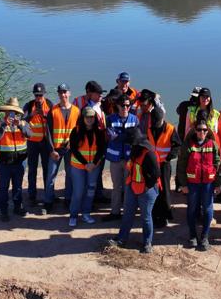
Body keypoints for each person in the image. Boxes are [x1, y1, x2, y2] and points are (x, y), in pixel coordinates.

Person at [108, 127, 161, 254]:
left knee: (146, 217)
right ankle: (122, 239)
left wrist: (147, 187)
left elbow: (156, 174)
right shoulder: (135, 149)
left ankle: (147, 243)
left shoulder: (149, 153)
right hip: (132, 186)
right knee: (127, 214)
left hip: (147, 190)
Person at [178, 119, 221, 251]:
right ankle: (192, 236)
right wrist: (183, 184)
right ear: (195, 131)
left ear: (207, 131)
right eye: (199, 129)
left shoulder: (212, 145)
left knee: (208, 210)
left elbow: (218, 166)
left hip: (208, 184)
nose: (201, 132)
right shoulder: (188, 145)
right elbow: (181, 166)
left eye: (204, 130)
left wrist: (218, 184)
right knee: (192, 209)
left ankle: (204, 237)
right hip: (192, 184)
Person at [0, 97, 31, 223]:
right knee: (3, 188)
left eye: (14, 112)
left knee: (18, 187)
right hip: (4, 163)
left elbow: (30, 134)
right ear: (5, 112)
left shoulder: (23, 123)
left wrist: (19, 125)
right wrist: (4, 125)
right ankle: (4, 211)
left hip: (19, 162)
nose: (12, 114)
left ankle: (17, 207)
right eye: (9, 111)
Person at [67, 106, 107, 227]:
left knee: (90, 191)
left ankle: (86, 213)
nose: (89, 119)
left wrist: (93, 163)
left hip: (94, 167)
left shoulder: (99, 132)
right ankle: (73, 215)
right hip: (78, 166)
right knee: (78, 191)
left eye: (92, 117)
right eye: (87, 117)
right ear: (83, 118)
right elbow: (74, 150)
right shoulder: (76, 131)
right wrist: (86, 164)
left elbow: (101, 149)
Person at [43, 84, 80, 214]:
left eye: (65, 92)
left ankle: (68, 200)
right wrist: (51, 150)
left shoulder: (77, 111)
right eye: (61, 93)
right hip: (56, 149)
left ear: (69, 93)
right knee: (51, 175)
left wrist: (74, 144)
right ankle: (48, 202)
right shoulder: (53, 111)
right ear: (58, 94)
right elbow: (47, 132)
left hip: (70, 149)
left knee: (70, 175)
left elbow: (78, 131)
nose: (63, 95)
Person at [103, 91, 138, 221]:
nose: (125, 108)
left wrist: (120, 136)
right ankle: (115, 212)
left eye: (128, 105)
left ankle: (128, 213)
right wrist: (128, 135)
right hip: (115, 160)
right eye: (123, 105)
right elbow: (112, 136)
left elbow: (136, 138)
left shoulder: (135, 119)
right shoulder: (110, 119)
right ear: (117, 106)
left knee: (129, 188)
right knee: (116, 187)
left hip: (129, 160)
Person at [147, 105, 180, 228]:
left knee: (164, 191)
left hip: (164, 165)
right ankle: (154, 215)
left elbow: (177, 145)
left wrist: (169, 157)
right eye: (154, 121)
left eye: (158, 121)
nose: (156, 123)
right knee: (153, 190)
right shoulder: (149, 129)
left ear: (163, 118)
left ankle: (165, 216)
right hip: (152, 165)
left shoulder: (170, 129)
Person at [22, 83, 52, 207]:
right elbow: (22, 121)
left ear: (44, 94)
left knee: (47, 169)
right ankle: (32, 195)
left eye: (40, 95)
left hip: (45, 142)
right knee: (32, 169)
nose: (38, 97)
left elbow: (54, 120)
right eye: (36, 95)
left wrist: (44, 115)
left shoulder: (50, 104)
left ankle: (47, 195)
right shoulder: (29, 105)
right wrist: (32, 115)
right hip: (32, 143)